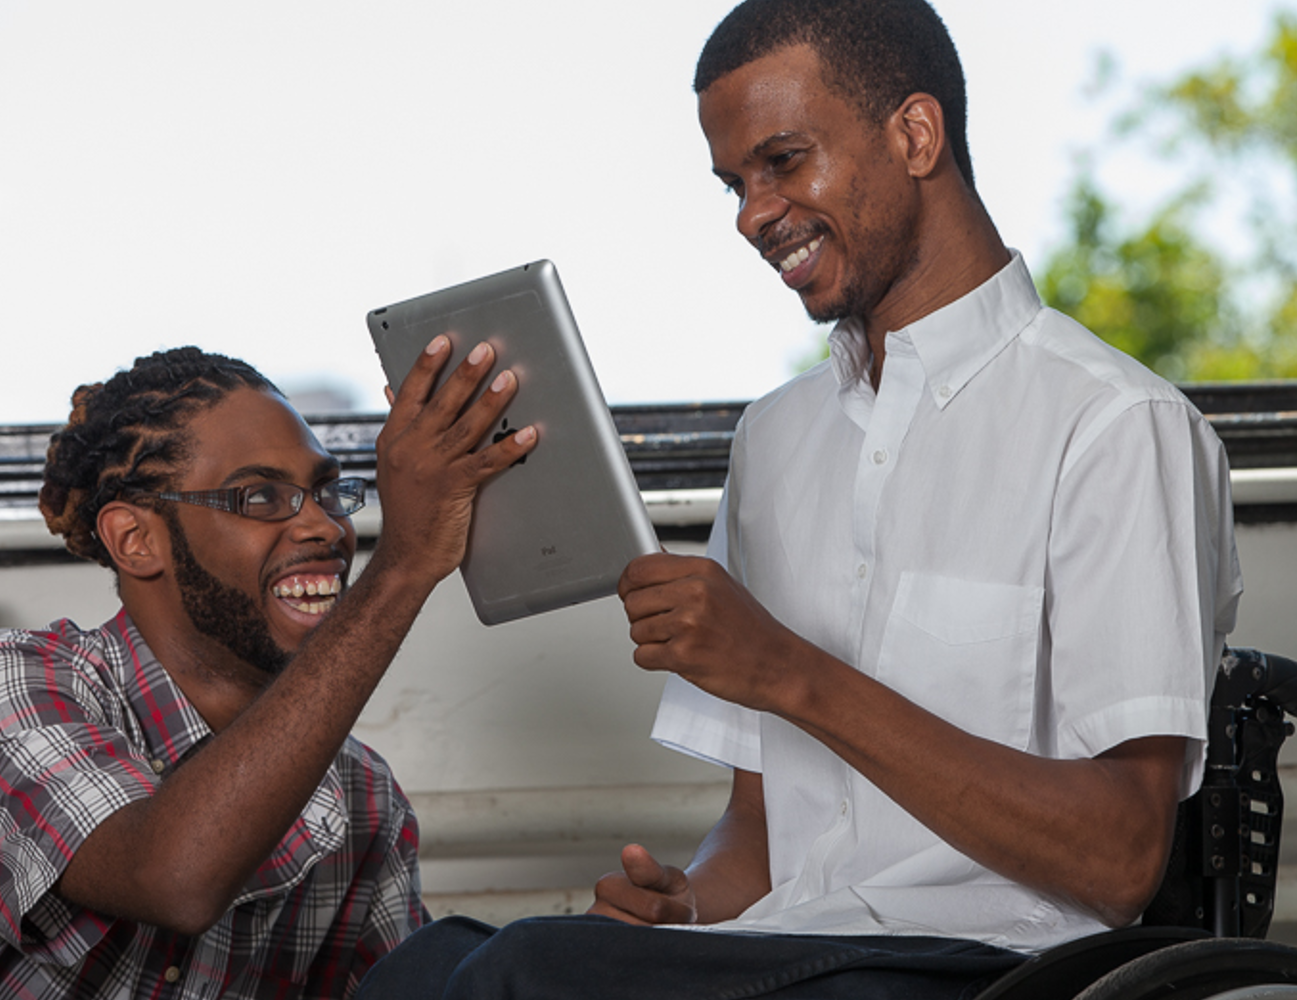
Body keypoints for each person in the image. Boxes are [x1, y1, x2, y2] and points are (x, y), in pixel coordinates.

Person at [354, 0, 1243, 996]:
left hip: (997, 970)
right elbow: (764, 834)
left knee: (524, 969)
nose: (750, 214)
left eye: (783, 161)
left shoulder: (1116, 427)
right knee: (427, 968)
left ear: (915, 134)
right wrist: (686, 904)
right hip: (794, 949)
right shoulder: (775, 441)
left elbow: (1119, 862)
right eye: (734, 183)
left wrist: (791, 671)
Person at [0, 342, 536, 999]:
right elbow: (173, 876)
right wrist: (404, 565)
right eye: (260, 499)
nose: (326, 529)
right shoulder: (9, 685)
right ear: (136, 539)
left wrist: (557, 962)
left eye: (328, 493)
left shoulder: (363, 799)